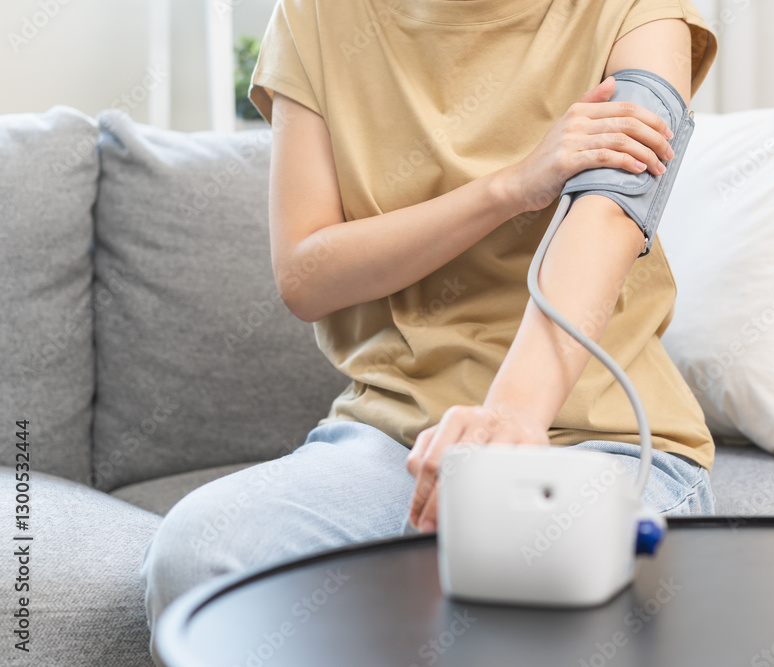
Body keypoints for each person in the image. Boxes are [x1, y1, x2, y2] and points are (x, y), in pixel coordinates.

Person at [140, 0, 719, 660]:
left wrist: (509, 418)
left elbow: (612, 210)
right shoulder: (316, 18)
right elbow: (305, 274)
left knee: (525, 605)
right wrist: (509, 187)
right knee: (196, 556)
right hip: (396, 440)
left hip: (599, 439)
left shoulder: (639, 11)